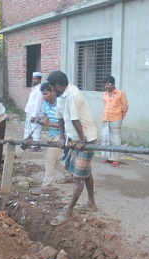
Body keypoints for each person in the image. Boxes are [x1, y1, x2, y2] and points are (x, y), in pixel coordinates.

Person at [47, 70, 99, 226]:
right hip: (74, 138)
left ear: (57, 86)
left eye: (51, 87)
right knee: (84, 172)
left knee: (78, 177)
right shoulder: (61, 96)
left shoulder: (73, 95)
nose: (51, 90)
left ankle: (69, 211)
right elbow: (60, 118)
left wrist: (82, 140)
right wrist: (62, 137)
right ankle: (91, 203)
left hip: (86, 138)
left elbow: (75, 119)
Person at [31, 82, 73, 195]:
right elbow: (45, 117)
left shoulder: (61, 104)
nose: (44, 97)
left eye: (46, 94)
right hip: (54, 135)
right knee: (53, 159)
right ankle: (68, 175)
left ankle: (46, 185)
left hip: (63, 135)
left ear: (53, 92)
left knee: (49, 159)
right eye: (43, 94)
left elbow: (66, 124)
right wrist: (42, 120)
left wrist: (49, 124)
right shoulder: (46, 105)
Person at [101, 76, 129, 167]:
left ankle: (115, 159)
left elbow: (125, 106)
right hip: (106, 119)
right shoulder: (105, 94)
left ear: (113, 84)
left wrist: (122, 115)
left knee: (115, 139)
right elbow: (105, 105)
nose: (106, 86)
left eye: (108, 84)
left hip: (116, 118)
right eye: (105, 85)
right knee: (106, 139)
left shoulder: (120, 93)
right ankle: (108, 158)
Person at [23, 72, 44, 152]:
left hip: (35, 113)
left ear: (39, 79)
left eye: (35, 79)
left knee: (36, 129)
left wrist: (34, 115)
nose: (34, 80)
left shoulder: (39, 89)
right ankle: (29, 144)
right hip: (30, 111)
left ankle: (36, 146)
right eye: (33, 78)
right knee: (29, 129)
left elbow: (38, 103)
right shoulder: (34, 88)